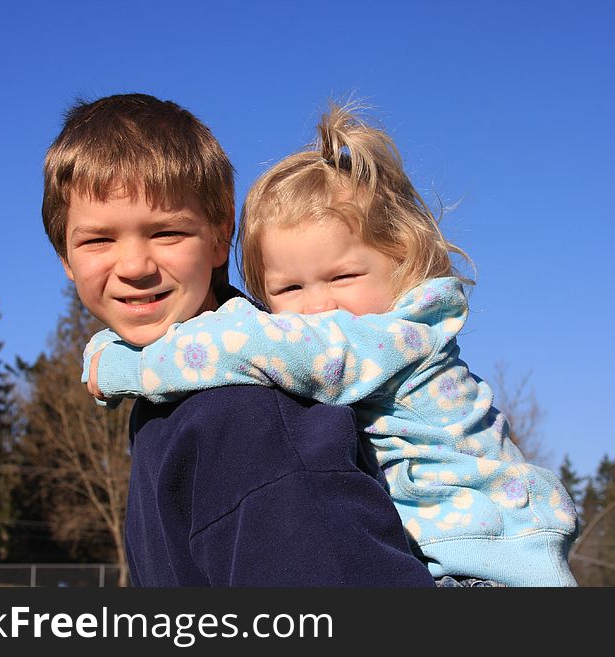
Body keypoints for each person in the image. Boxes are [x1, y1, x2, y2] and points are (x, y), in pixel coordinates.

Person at [85, 103, 579, 586]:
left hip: (487, 563)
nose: (317, 307)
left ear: (403, 261)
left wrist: (121, 366)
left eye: (342, 276)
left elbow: (240, 345)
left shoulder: (393, 339)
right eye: (289, 289)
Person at [42, 93, 436, 587]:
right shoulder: (174, 400)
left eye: (166, 232)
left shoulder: (245, 419)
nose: (135, 267)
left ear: (218, 233)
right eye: (98, 240)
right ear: (65, 255)